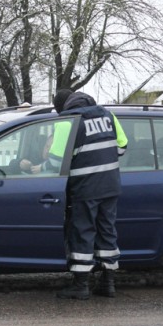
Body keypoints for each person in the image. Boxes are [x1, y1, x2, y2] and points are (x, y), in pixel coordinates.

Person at [52, 89, 128, 300]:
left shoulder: (68, 121)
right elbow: (122, 147)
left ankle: (81, 285)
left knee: (83, 231)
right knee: (107, 231)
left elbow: (56, 159)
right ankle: (108, 282)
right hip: (111, 184)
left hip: (85, 187)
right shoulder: (107, 114)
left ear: (62, 107)